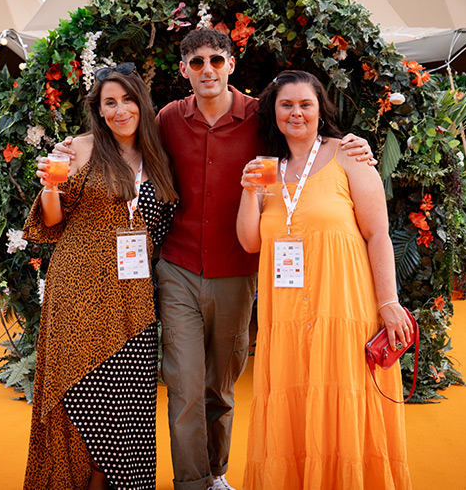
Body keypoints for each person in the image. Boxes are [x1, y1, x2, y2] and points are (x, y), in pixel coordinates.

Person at [53, 28, 375, 490]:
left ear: (231, 65)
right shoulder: (165, 118)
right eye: (197, 62)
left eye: (216, 60)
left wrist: (351, 143)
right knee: (183, 384)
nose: (208, 70)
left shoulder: (262, 116)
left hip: (237, 271)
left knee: (219, 387)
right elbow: (120, 135)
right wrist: (71, 147)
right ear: (184, 70)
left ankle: (216, 473)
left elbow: (303, 140)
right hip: (178, 267)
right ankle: (191, 481)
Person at [236, 70, 414, 489]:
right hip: (288, 316)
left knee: (343, 395)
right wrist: (247, 193)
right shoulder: (266, 171)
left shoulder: (348, 155)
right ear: (274, 113)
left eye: (305, 104)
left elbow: (378, 234)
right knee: (293, 400)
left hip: (343, 307)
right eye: (286, 105)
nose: (295, 113)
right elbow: (248, 242)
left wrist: (388, 301)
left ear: (320, 110)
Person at [22, 65, 178, 490]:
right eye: (110, 102)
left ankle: (115, 482)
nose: (120, 109)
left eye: (127, 99)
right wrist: (49, 186)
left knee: (128, 399)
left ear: (141, 104)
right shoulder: (80, 150)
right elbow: (52, 221)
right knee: (81, 389)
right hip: (79, 285)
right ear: (99, 109)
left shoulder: (161, 153)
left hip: (133, 294)